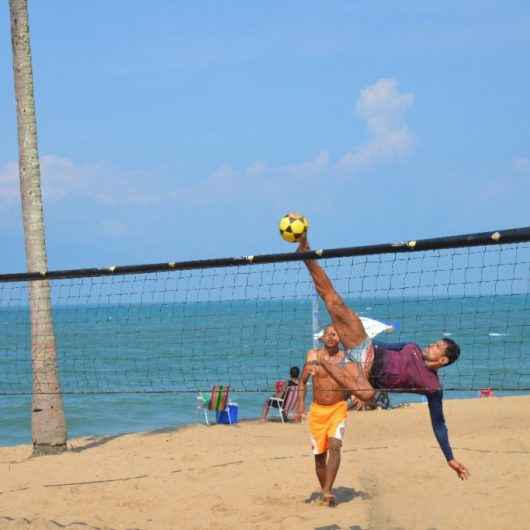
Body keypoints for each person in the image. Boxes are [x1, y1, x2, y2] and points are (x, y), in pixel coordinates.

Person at [297, 235, 470, 481]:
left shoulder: (433, 387)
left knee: (367, 395)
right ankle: (306, 253)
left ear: (443, 360)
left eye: (437, 347)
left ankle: (327, 366)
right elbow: (380, 345)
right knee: (334, 302)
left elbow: (439, 424)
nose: (431, 345)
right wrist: (353, 328)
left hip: (365, 381)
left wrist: (449, 457)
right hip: (365, 351)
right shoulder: (411, 347)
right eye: (434, 343)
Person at [295, 324, 369, 507]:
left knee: (335, 445)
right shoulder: (313, 359)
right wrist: (299, 406)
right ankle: (326, 491)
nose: (331, 337)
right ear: (322, 338)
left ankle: (327, 490)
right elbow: (302, 382)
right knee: (319, 457)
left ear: (340, 339)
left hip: (338, 408)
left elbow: (358, 380)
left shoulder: (346, 360)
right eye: (328, 334)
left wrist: (361, 396)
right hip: (317, 411)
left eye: (335, 334)